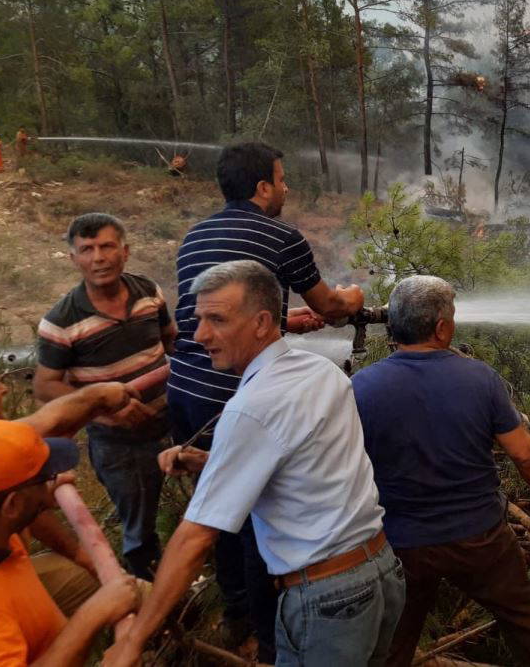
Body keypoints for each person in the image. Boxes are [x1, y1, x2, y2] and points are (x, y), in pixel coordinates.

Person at [103, 260, 404, 667]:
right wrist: (209, 460)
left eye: (217, 319)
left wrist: (133, 641)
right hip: (381, 573)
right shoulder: (321, 372)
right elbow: (302, 465)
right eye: (198, 319)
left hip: (329, 600)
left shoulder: (251, 410)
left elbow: (195, 538)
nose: (201, 334)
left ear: (263, 321)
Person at [166, 141, 362, 658]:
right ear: (262, 187)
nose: (286, 188)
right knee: (258, 516)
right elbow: (331, 306)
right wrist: (353, 298)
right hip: (234, 392)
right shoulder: (280, 235)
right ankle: (268, 635)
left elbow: (205, 318)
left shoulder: (193, 236)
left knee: (219, 505)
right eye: (282, 179)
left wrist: (283, 321)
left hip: (185, 386)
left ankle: (233, 612)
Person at [352, 276, 530, 667]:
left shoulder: (361, 387)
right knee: (524, 619)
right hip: (479, 537)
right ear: (441, 328)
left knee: (392, 642)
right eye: (452, 316)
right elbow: (524, 454)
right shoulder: (480, 378)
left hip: (400, 542)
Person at [33, 213, 176, 582]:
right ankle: (148, 599)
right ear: (74, 259)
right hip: (119, 444)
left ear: (125, 251)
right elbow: (46, 386)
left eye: (107, 246)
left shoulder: (148, 291)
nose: (98, 257)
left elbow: (170, 338)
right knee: (140, 531)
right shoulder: (61, 321)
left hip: (173, 422)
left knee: (196, 502)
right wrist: (102, 411)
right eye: (87, 249)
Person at [0, 350, 142, 618]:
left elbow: (12, 500)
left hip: (13, 565)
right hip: (1, 591)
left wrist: (80, 555)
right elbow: (44, 423)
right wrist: (94, 396)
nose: (3, 389)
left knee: (115, 588)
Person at [0, 419, 141, 666]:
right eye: (44, 477)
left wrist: (40, 492)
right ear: (12, 505)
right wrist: (92, 616)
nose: (56, 480)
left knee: (141, 592)